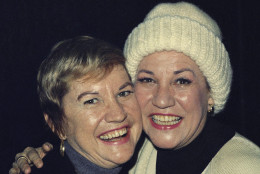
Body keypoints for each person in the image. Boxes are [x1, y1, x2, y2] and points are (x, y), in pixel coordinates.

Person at [9, 2, 260, 174]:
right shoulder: (138, 151)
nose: (162, 99)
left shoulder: (245, 166)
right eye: (147, 80)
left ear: (211, 95)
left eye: (182, 80)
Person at [9, 35, 142, 174]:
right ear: (57, 125)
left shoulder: (156, 156)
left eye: (124, 93)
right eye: (91, 101)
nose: (118, 114)